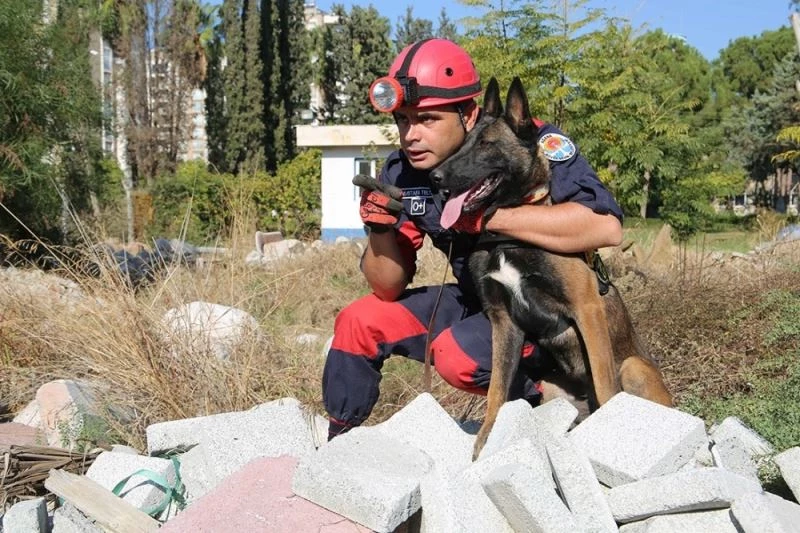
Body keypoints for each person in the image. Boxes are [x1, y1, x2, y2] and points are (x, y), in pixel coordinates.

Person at [322, 38, 624, 440]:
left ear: (468, 114)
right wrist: (378, 231)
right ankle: (339, 445)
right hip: (475, 296)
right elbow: (387, 285)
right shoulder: (403, 171)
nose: (411, 134)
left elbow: (605, 226)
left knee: (456, 356)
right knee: (360, 320)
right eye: (402, 120)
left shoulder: (525, 141)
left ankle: (544, 397)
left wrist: (488, 219)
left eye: (427, 120)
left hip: (540, 310)